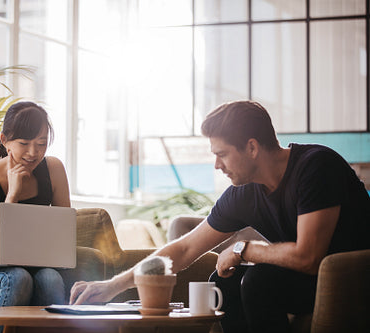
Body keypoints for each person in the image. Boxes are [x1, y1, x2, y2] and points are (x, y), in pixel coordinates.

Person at [69, 100, 370, 333]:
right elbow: (184, 249)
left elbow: (309, 256)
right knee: (224, 282)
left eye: (222, 154)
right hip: (307, 280)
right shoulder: (244, 193)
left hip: (351, 277)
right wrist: (111, 286)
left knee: (258, 281)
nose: (216, 165)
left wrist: (245, 250)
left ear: (251, 147)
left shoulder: (316, 168)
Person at [0, 101, 71, 333]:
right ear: (5, 141)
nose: (34, 153)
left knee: (50, 278)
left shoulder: (54, 169)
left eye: (41, 143)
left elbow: (63, 234)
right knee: (17, 278)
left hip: (32, 265)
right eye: (24, 143)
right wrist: (12, 196)